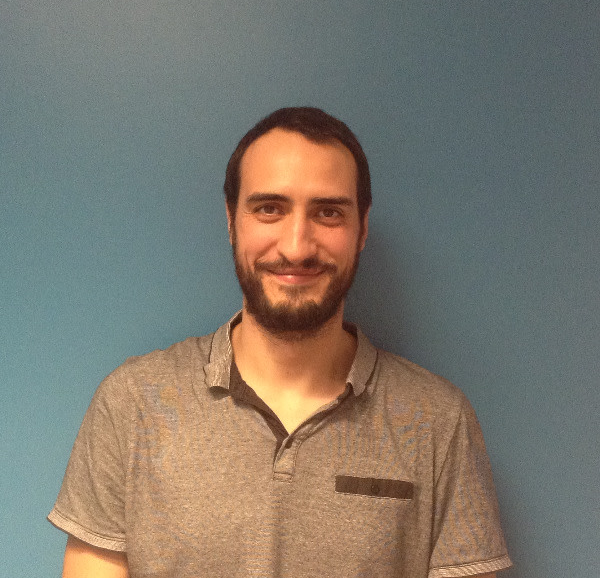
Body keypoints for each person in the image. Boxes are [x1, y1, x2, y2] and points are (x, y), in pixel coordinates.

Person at [49, 107, 512, 578]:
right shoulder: (132, 404)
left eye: (328, 212)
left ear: (362, 229)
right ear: (231, 221)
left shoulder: (437, 423)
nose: (296, 246)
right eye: (269, 208)